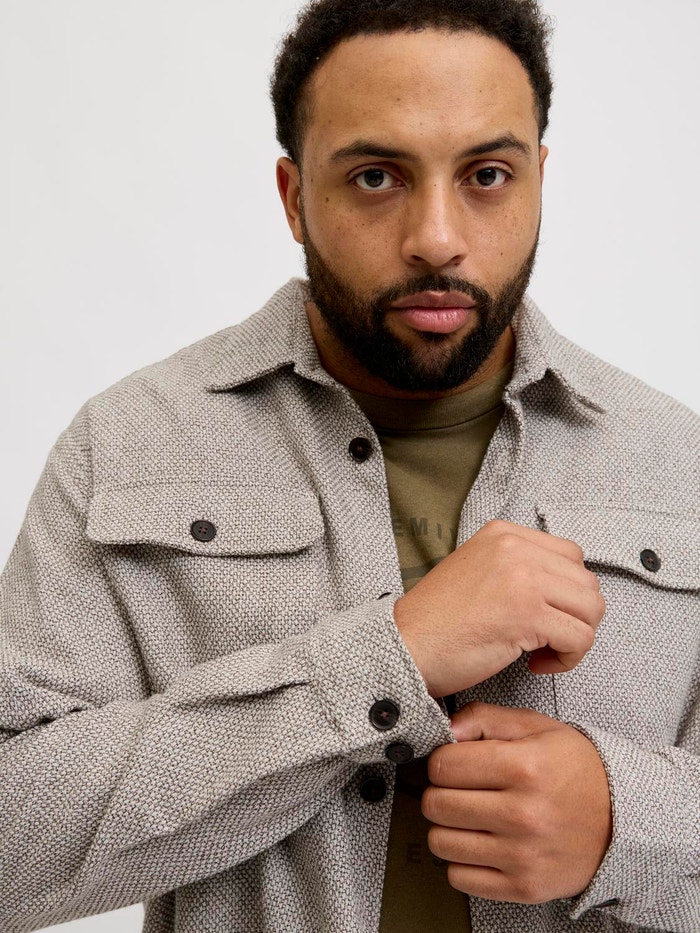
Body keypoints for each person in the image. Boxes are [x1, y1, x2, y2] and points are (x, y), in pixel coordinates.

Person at [0, 0, 697, 931]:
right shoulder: (130, 443)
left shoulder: (678, 465)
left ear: (540, 179)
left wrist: (626, 822)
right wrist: (386, 658)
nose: (437, 237)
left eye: (487, 175)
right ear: (294, 197)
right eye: (375, 176)